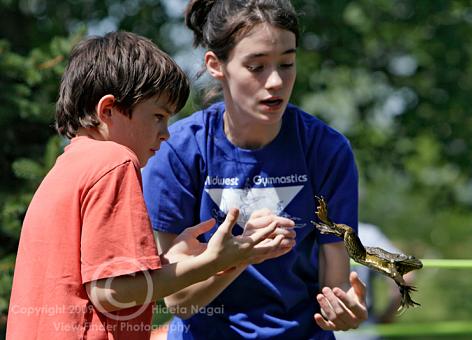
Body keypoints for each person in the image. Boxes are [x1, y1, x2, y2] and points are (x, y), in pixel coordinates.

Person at [6, 31, 289, 340]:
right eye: (157, 116)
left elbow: (96, 282)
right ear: (108, 110)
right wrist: (216, 261)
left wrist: (171, 262)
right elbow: (112, 292)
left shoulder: (67, 168)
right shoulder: (114, 161)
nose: (166, 133)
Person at [142, 1, 368, 339]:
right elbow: (179, 301)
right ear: (216, 65)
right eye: (256, 66)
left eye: (287, 63)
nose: (276, 81)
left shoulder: (327, 150)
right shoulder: (177, 151)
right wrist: (243, 252)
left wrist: (345, 309)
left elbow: (334, 284)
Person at [335, 223, 416, 340]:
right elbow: (406, 275)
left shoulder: (310, 231)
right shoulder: (368, 234)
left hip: (318, 328)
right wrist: (387, 317)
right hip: (366, 331)